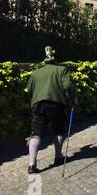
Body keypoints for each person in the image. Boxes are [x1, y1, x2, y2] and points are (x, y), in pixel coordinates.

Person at [26, 46, 75, 174]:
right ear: (57, 60)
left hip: (38, 103)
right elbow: (68, 86)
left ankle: (32, 165)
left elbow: (29, 90)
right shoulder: (62, 70)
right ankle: (58, 157)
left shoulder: (36, 73)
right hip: (56, 103)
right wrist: (73, 99)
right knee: (58, 130)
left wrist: (34, 100)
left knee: (36, 133)